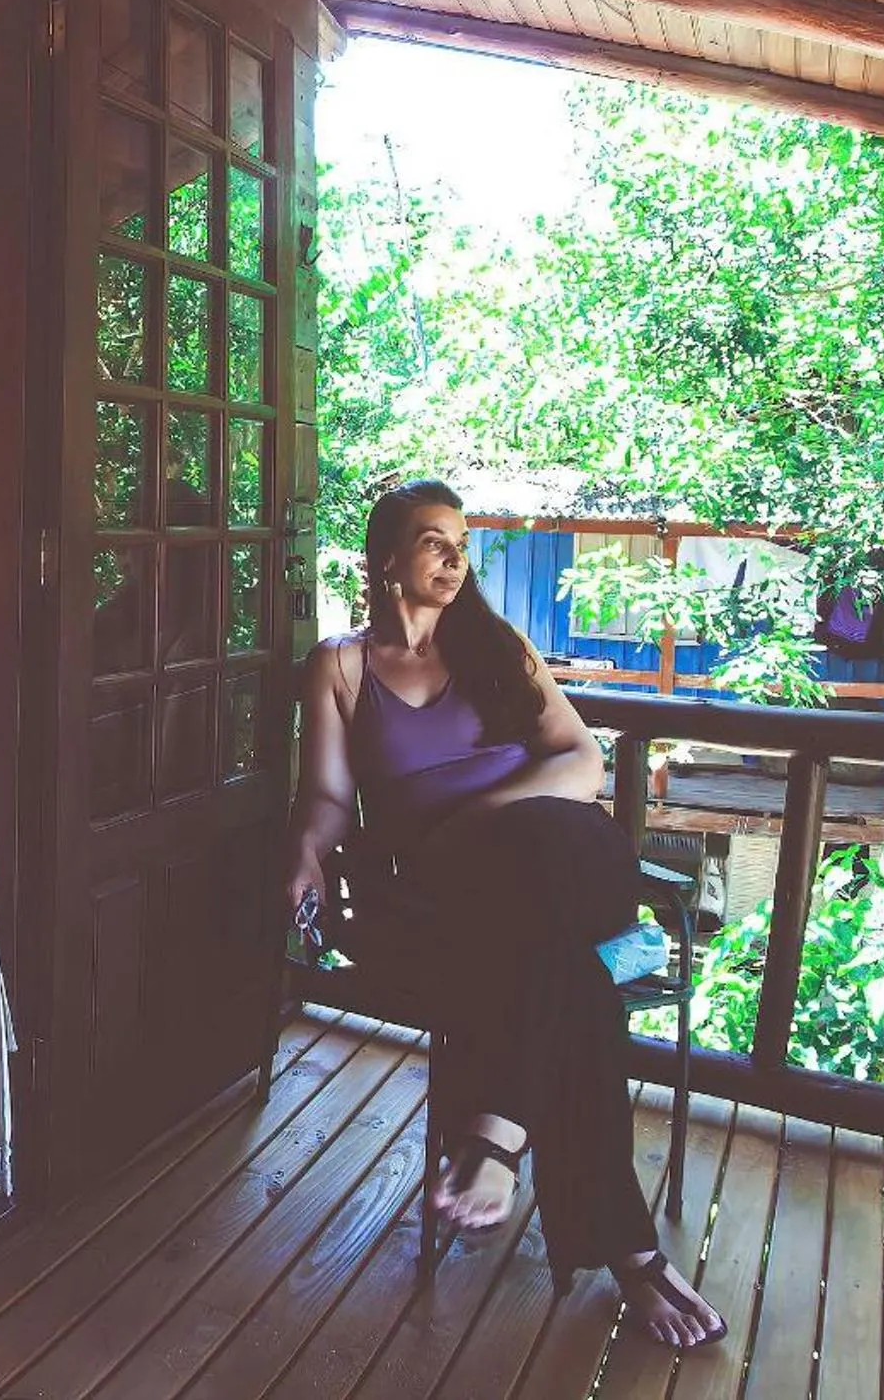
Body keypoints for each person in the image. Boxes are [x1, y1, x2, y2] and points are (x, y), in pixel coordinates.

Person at [282, 480, 726, 1349]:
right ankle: (633, 1254)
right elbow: (331, 796)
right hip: (463, 905)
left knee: (553, 852)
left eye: (461, 542)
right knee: (579, 979)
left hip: (561, 868)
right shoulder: (340, 667)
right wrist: (304, 851)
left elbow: (581, 760)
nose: (455, 557)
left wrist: (478, 819)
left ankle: (500, 1127)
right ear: (386, 559)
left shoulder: (497, 646)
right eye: (433, 541)